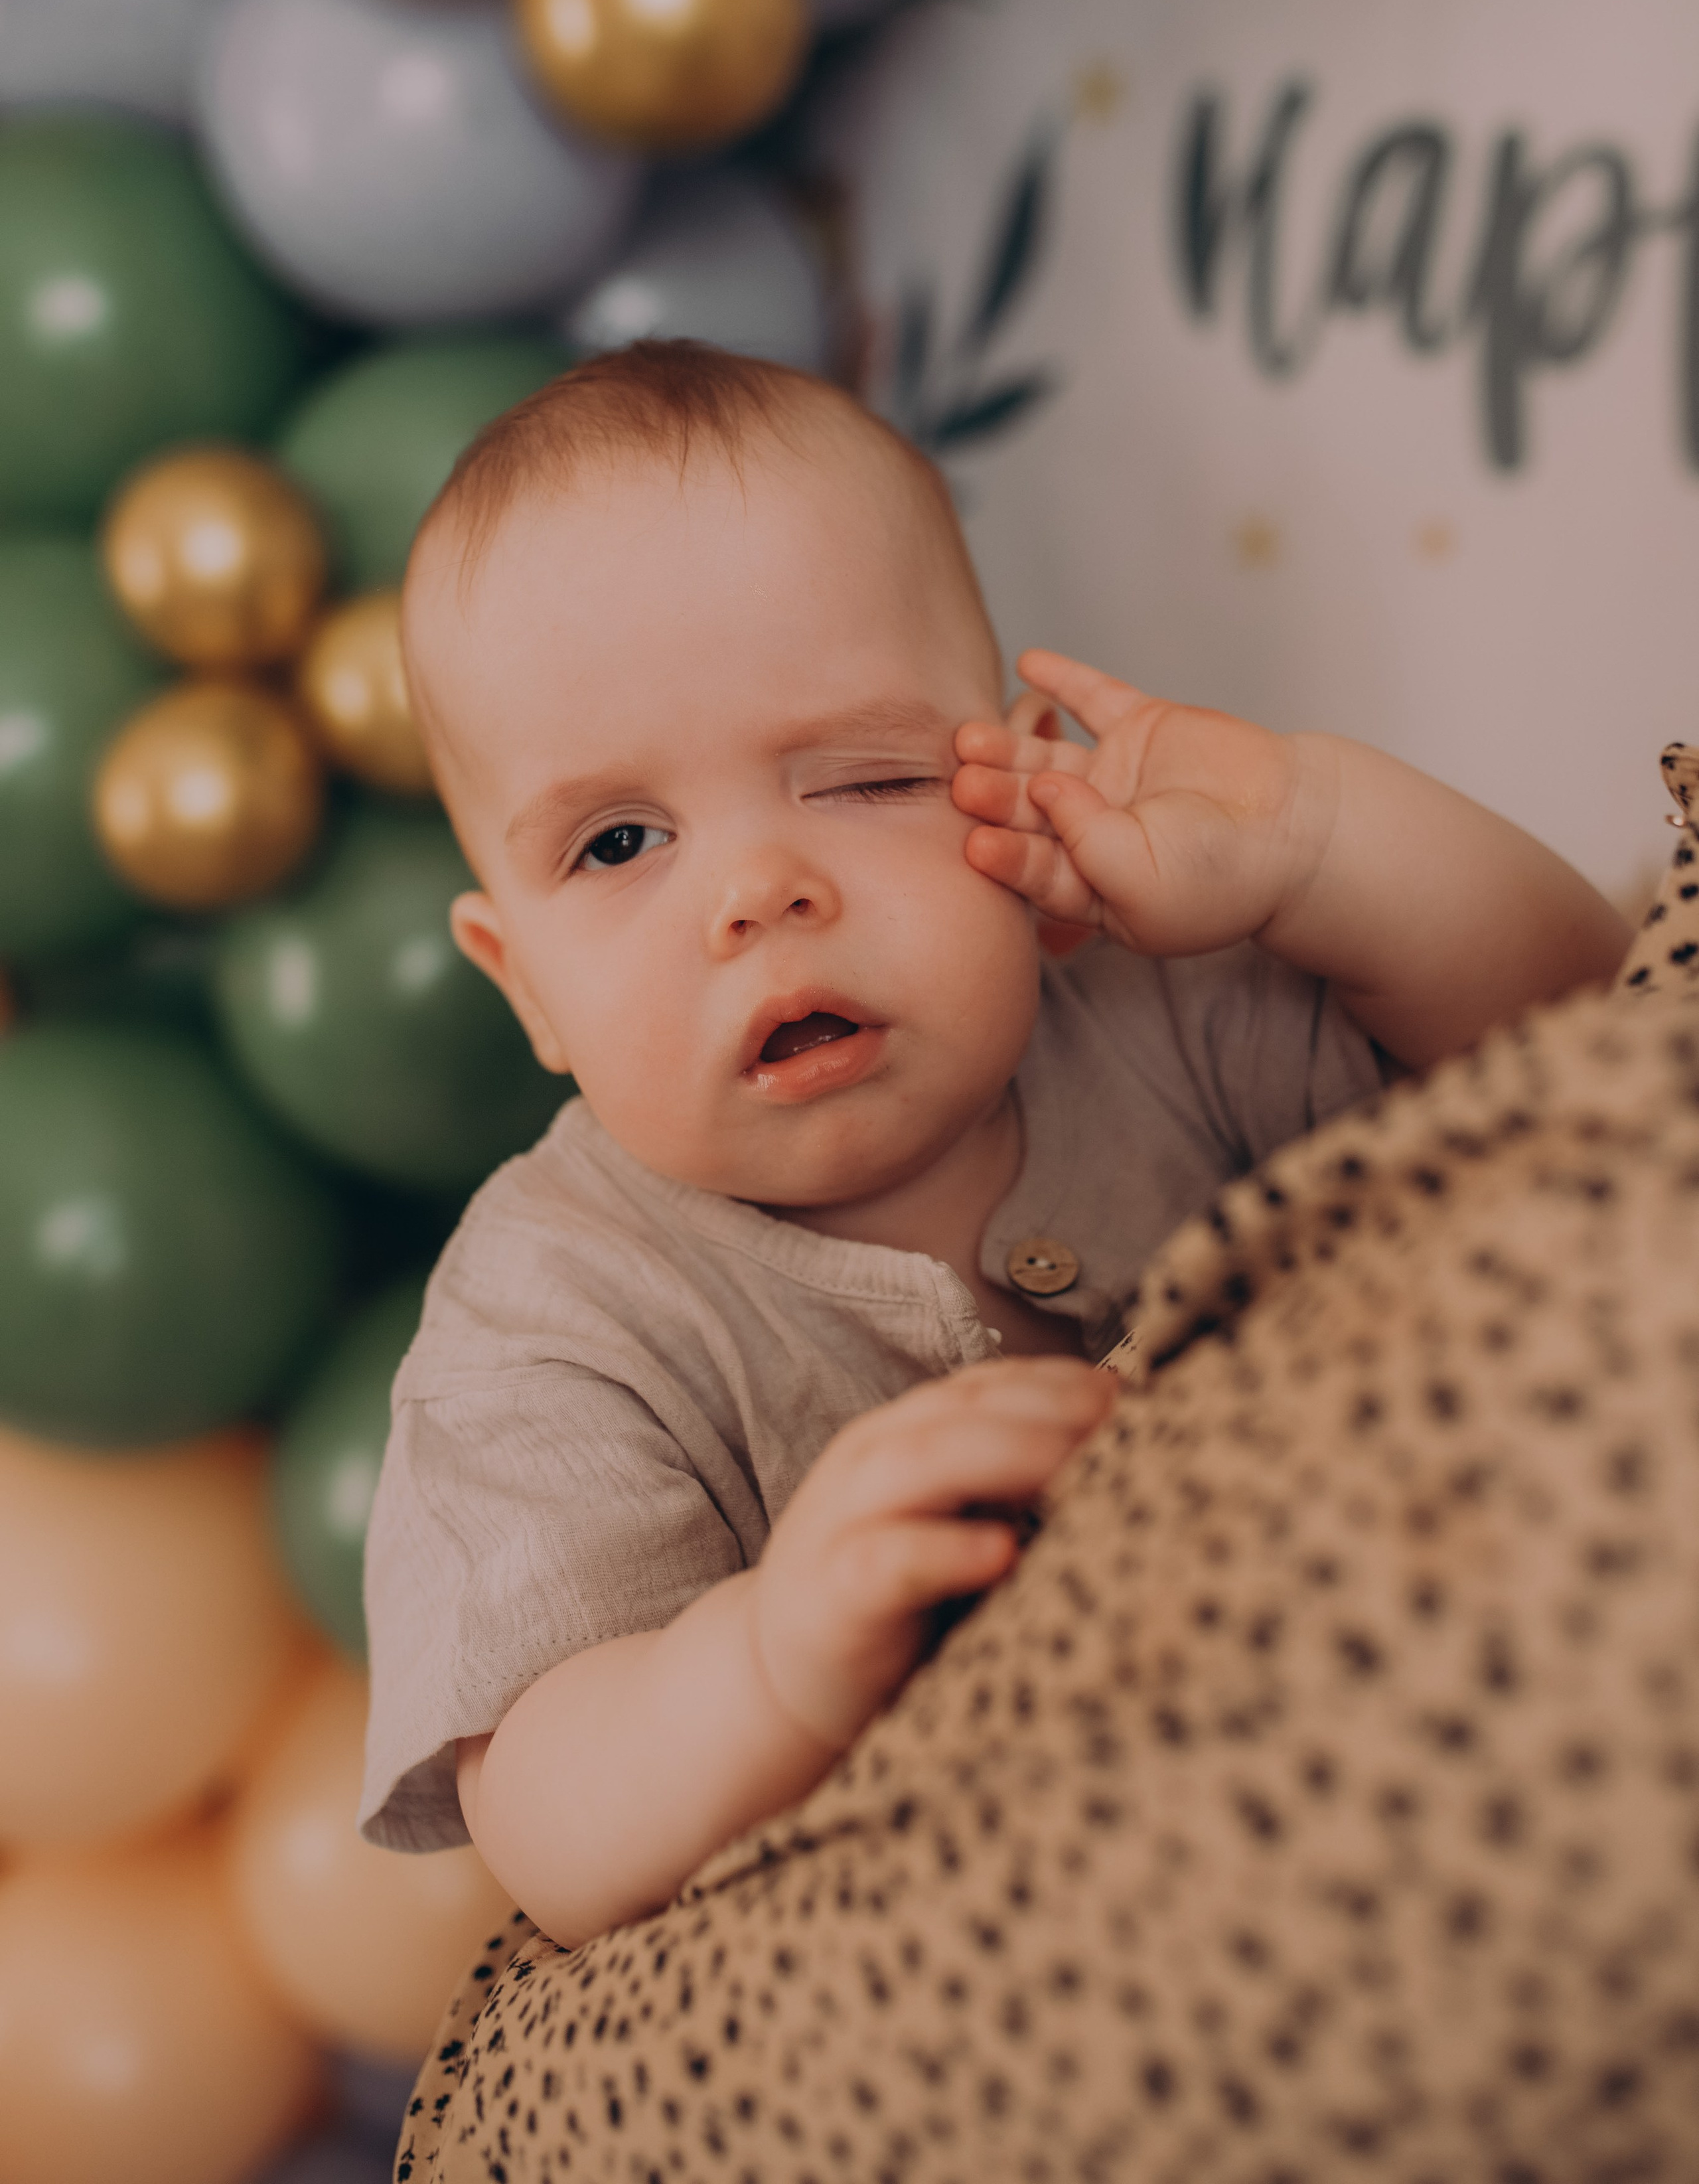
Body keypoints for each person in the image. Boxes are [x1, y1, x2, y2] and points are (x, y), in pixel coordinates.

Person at [359, 340, 1626, 1951]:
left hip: (1409, 1728)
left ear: (1018, 781)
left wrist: (1313, 837)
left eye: (869, 778)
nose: (759, 889)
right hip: (996, 1943)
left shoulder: (1164, 1001)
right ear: (519, 980)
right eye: (617, 842)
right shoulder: (544, 1323)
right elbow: (542, 1812)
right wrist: (763, 1661)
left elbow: (1578, 1034)